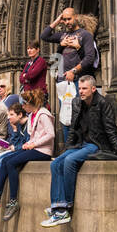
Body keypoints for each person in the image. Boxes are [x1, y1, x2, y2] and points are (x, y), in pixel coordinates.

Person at [42, 76, 117, 227]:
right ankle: (58, 205)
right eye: (79, 89)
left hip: (96, 144)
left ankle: (66, 206)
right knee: (56, 163)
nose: (81, 92)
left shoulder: (103, 103)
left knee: (70, 161)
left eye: (84, 89)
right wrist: (67, 149)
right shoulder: (77, 102)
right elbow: (73, 128)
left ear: (93, 89)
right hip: (80, 143)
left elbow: (111, 130)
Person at [0, 89, 56, 220]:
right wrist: (28, 143)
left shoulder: (43, 114)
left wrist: (33, 144)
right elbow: (33, 136)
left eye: (24, 104)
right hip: (34, 148)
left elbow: (50, 134)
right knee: (5, 159)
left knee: (11, 163)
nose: (23, 107)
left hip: (43, 151)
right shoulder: (32, 116)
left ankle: (13, 201)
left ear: (31, 103)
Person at [41, 8, 97, 144]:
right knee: (65, 116)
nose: (67, 22)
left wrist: (74, 70)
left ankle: (83, 145)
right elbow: (44, 36)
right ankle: (69, 146)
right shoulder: (62, 36)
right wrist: (57, 20)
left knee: (79, 115)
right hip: (63, 83)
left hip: (79, 81)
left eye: (69, 19)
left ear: (75, 17)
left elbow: (90, 58)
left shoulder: (85, 35)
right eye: (64, 20)